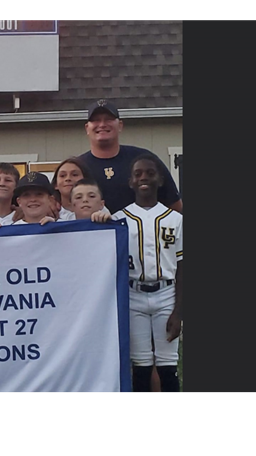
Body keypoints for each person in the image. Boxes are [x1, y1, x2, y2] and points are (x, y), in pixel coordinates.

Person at [107, 154, 183, 393]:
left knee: (168, 365)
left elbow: (183, 267)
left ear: (160, 179)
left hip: (167, 293)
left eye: (150, 173)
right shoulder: (118, 219)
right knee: (140, 366)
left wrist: (179, 311)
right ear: (130, 181)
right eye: (138, 173)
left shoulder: (177, 219)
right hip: (133, 295)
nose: (144, 178)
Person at [78, 99, 182, 215]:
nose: (102, 124)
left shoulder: (144, 161)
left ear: (120, 125)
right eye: (96, 120)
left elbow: (175, 206)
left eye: (109, 119)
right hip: (94, 232)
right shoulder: (77, 167)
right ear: (87, 128)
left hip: (141, 232)